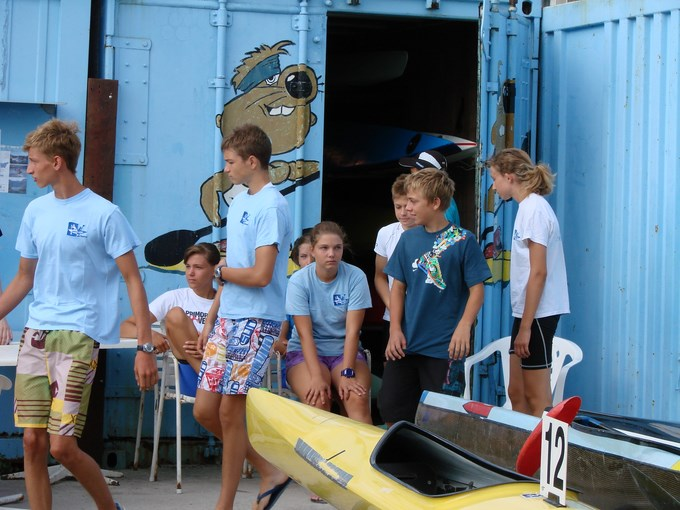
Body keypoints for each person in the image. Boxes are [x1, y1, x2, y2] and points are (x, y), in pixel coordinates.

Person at [0, 119, 156, 510]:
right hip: (36, 333)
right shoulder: (35, 211)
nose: (28, 169)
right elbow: (23, 278)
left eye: (33, 161)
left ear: (57, 162)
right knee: (32, 442)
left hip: (79, 336)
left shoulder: (104, 213)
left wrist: (145, 347)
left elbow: (133, 280)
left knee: (62, 446)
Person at [193, 124, 292, 510]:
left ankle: (225, 504)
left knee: (230, 413)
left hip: (257, 320)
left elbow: (260, 275)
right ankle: (270, 470)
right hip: (228, 318)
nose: (226, 169)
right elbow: (232, 272)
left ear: (252, 161)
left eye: (231, 162)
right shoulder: (239, 204)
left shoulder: (272, 206)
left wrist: (221, 272)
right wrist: (211, 318)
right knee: (205, 410)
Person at [379, 168, 491, 426]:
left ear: (435, 203)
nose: (408, 207)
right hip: (406, 343)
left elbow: (477, 290)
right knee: (391, 407)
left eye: (413, 201)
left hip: (444, 348)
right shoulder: (407, 239)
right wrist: (394, 330)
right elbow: (398, 288)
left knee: (441, 419)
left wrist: (464, 326)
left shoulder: (464, 240)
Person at [486, 148, 569, 417]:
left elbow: (539, 272)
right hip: (525, 313)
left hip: (538, 314)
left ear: (509, 177)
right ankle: (522, 443)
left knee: (536, 396)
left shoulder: (534, 209)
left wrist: (525, 328)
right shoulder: (526, 209)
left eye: (495, 179)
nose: (494, 186)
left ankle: (546, 445)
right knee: (516, 392)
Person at [285, 221, 373, 426]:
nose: (331, 254)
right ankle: (318, 449)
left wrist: (348, 373)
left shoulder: (355, 276)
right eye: (324, 248)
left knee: (356, 398)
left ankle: (362, 449)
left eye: (337, 248)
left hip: (344, 351)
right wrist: (316, 376)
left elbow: (353, 331)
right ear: (313, 250)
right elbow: (305, 334)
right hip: (306, 352)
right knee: (318, 399)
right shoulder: (299, 280)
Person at [120, 242, 221, 375]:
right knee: (175, 314)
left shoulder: (226, 302)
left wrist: (211, 349)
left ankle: (209, 379)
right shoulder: (174, 298)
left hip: (217, 363)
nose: (190, 273)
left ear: (214, 270)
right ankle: (208, 378)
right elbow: (124, 327)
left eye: (198, 267)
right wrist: (149, 335)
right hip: (188, 368)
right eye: (188, 267)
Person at [373, 174, 415, 374]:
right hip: (393, 318)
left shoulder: (432, 233)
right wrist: (393, 305)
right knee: (391, 372)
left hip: (422, 318)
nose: (403, 212)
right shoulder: (386, 233)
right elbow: (379, 276)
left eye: (407, 206)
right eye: (398, 207)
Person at [272, 233, 313, 357]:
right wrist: (282, 341)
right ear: (297, 259)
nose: (309, 262)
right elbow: (280, 341)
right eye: (303, 256)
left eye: (313, 256)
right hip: (295, 352)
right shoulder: (288, 285)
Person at [399, 149, 461, 226]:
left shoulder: (443, 200)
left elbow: (443, 230)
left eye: (414, 175)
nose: (411, 180)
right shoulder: (443, 196)